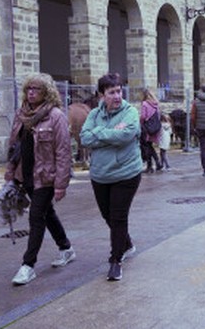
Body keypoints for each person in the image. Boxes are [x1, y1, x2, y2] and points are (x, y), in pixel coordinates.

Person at [5, 73, 74, 286]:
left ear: (47, 92)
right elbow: (14, 146)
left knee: (36, 217)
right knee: (47, 213)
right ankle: (66, 248)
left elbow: (63, 151)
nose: (31, 93)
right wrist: (10, 171)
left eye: (36, 89)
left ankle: (28, 265)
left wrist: (61, 184)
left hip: (46, 177)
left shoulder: (55, 116)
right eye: (29, 89)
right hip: (26, 176)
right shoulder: (21, 114)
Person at [80, 73, 142, 281]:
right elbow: (84, 138)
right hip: (100, 175)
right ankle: (126, 244)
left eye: (119, 91)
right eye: (111, 92)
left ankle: (115, 261)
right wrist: (109, 132)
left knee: (118, 216)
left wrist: (99, 133)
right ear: (101, 95)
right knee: (108, 216)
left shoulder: (130, 112)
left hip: (126, 173)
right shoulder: (94, 115)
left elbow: (126, 135)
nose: (117, 96)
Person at [139, 88, 162, 173]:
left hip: (147, 128)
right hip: (155, 128)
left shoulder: (145, 104)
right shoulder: (156, 104)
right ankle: (157, 163)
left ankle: (150, 166)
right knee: (150, 146)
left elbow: (143, 117)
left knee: (146, 146)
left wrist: (140, 123)